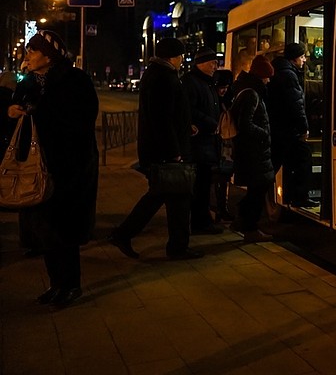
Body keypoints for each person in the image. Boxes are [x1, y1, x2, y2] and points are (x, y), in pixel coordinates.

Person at [7, 30, 99, 306]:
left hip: (70, 167)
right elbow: (17, 106)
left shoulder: (76, 80)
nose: (28, 57)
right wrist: (12, 108)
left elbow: (80, 120)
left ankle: (71, 285)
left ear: (49, 55)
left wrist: (38, 111)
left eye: (32, 52)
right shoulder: (30, 81)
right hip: (39, 166)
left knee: (64, 229)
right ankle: (56, 284)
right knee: (45, 230)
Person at [108, 37, 204, 260]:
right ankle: (171, 246)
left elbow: (168, 115)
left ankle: (132, 236)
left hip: (161, 148)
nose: (182, 61)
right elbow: (162, 119)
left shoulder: (157, 74)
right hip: (166, 152)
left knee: (165, 196)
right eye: (180, 56)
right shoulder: (164, 77)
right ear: (173, 57)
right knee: (175, 197)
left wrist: (184, 126)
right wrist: (174, 151)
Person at [230, 54, 275, 242]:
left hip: (252, 151)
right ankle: (250, 228)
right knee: (258, 188)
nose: (269, 80)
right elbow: (245, 124)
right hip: (253, 151)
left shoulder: (247, 90)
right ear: (261, 75)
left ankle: (243, 222)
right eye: (267, 76)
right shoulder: (252, 94)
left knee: (257, 188)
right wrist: (264, 134)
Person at [181, 47, 223, 235]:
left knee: (205, 184)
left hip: (207, 143)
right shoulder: (192, 82)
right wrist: (211, 123)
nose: (216, 66)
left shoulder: (207, 82)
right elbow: (189, 109)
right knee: (200, 186)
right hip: (198, 143)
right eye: (213, 62)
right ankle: (200, 223)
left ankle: (203, 220)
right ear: (202, 63)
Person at [267, 42, 312, 207]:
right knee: (303, 157)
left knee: (278, 163)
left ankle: (291, 196)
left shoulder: (281, 71)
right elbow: (296, 104)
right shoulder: (289, 75)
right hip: (287, 130)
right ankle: (299, 197)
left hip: (279, 128)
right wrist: (303, 128)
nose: (305, 60)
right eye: (302, 56)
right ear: (295, 58)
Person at [212, 68, 235, 223]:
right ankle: (220, 209)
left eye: (226, 88)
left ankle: (222, 209)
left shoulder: (229, 100)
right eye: (221, 88)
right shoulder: (212, 101)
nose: (223, 91)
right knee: (217, 178)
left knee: (224, 178)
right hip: (216, 144)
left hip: (226, 145)